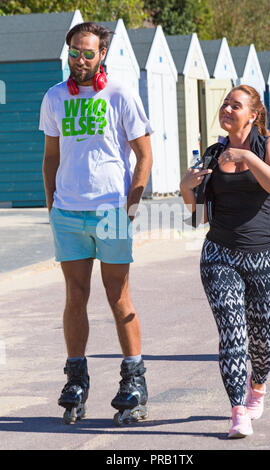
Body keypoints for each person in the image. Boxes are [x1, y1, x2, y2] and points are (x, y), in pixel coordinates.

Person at [39, 22, 153, 425]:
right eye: (74, 53)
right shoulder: (54, 97)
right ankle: (75, 378)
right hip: (68, 213)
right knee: (75, 295)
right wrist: (53, 206)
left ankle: (134, 378)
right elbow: (51, 157)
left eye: (88, 53)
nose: (81, 60)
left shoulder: (119, 93)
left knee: (117, 294)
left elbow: (144, 155)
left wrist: (132, 206)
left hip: (111, 212)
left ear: (102, 54)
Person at [180, 85, 270, 438]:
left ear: (253, 114)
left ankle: (258, 386)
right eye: (224, 104)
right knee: (232, 333)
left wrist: (248, 158)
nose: (226, 109)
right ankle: (237, 411)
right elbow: (199, 219)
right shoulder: (213, 154)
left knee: (262, 339)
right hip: (219, 255)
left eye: (235, 105)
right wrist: (186, 190)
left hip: (264, 257)